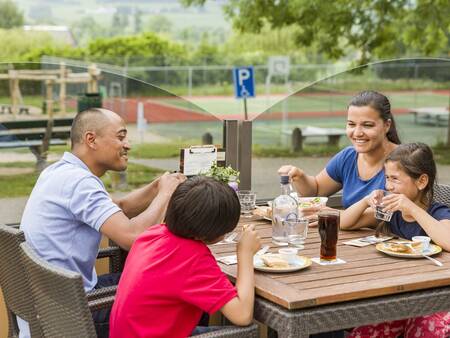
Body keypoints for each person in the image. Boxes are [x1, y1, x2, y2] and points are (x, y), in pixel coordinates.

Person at [19, 108, 185, 338]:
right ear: (91, 139)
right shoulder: (80, 183)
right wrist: (166, 194)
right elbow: (133, 238)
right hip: (74, 317)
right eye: (120, 136)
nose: (127, 145)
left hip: (51, 306)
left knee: (170, 281)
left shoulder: (59, 172)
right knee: (181, 291)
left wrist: (157, 187)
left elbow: (120, 208)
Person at [109, 176, 261, 338]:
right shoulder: (193, 259)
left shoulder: (153, 233)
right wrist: (245, 253)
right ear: (211, 231)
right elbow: (243, 315)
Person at [340, 143, 450, 337]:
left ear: (422, 181)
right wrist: (366, 200)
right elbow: (345, 223)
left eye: (395, 179)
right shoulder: (392, 212)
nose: (388, 186)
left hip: (434, 298)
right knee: (369, 329)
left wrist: (412, 209)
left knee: (428, 330)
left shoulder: (437, 212)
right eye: (387, 178)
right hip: (397, 297)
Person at [278, 90, 400, 210]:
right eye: (351, 124)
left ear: (386, 125)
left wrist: (332, 215)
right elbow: (316, 192)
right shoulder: (348, 157)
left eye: (367, 125)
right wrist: (300, 176)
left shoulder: (404, 161)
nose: (357, 133)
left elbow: (377, 215)